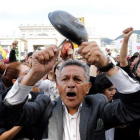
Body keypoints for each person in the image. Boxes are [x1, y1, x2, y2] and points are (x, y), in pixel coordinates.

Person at [0, 42, 140, 140]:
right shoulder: (43, 107)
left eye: (78, 79)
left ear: (88, 88)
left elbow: (135, 106)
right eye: (65, 79)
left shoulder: (98, 106)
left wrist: (107, 66)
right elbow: (6, 114)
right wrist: (32, 75)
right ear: (57, 85)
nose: (71, 84)